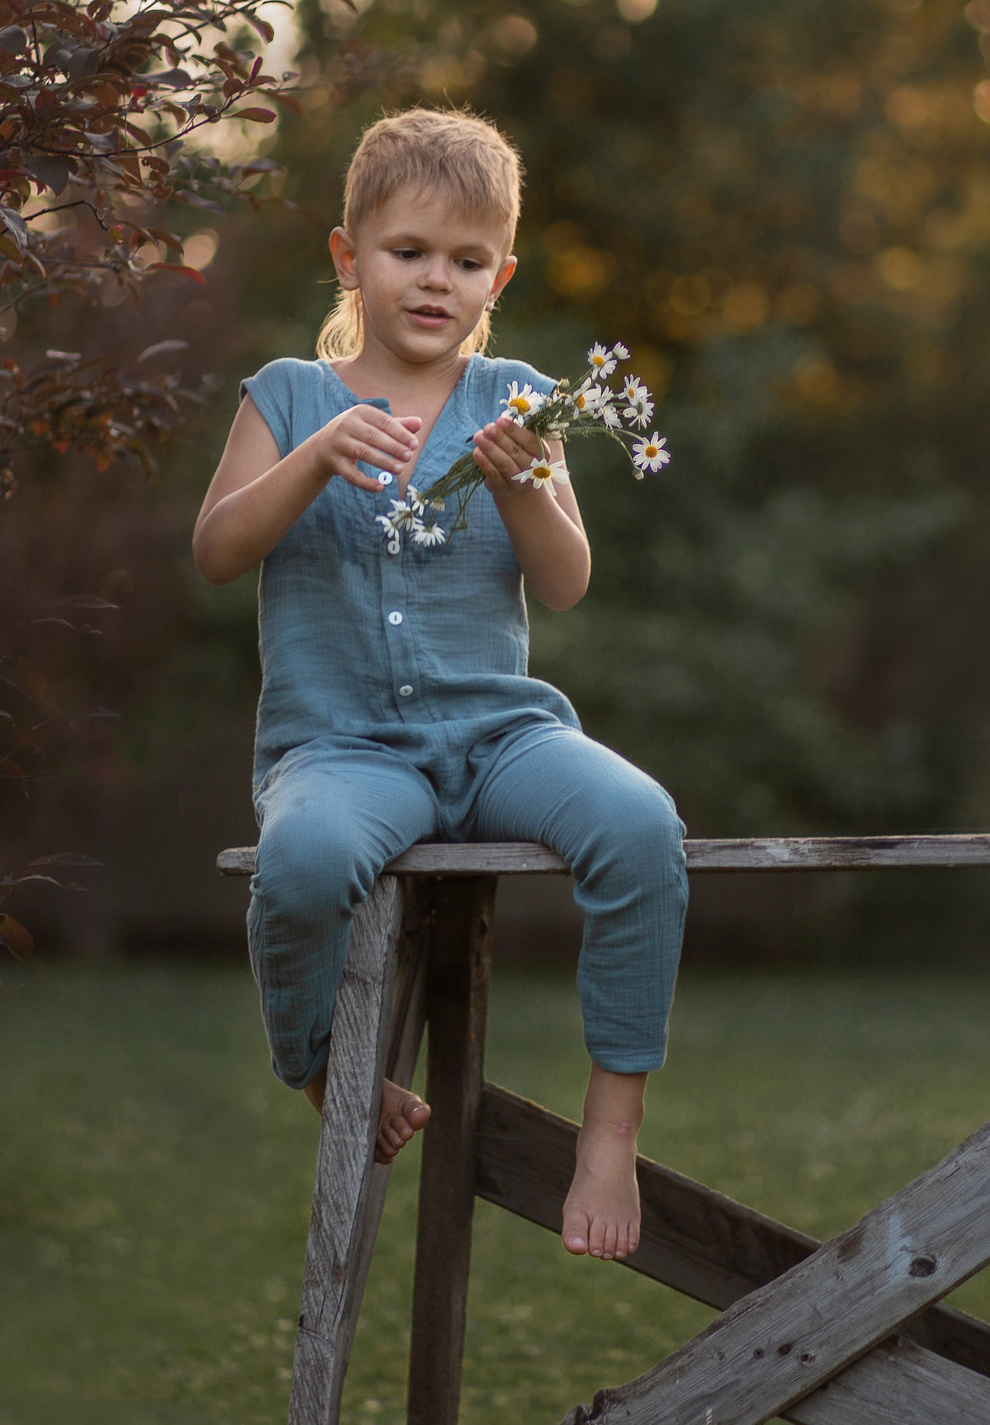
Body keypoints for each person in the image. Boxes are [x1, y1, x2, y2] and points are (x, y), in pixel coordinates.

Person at [191, 108, 686, 1262]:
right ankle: (322, 1068)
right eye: (409, 251)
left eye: (466, 262)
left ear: (498, 276)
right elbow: (217, 552)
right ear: (348, 256)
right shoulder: (288, 397)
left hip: (502, 740)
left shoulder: (518, 397)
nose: (435, 280)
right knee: (303, 861)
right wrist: (315, 460)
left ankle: (610, 1134)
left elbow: (565, 584)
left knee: (641, 825)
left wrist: (520, 486)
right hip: (346, 752)